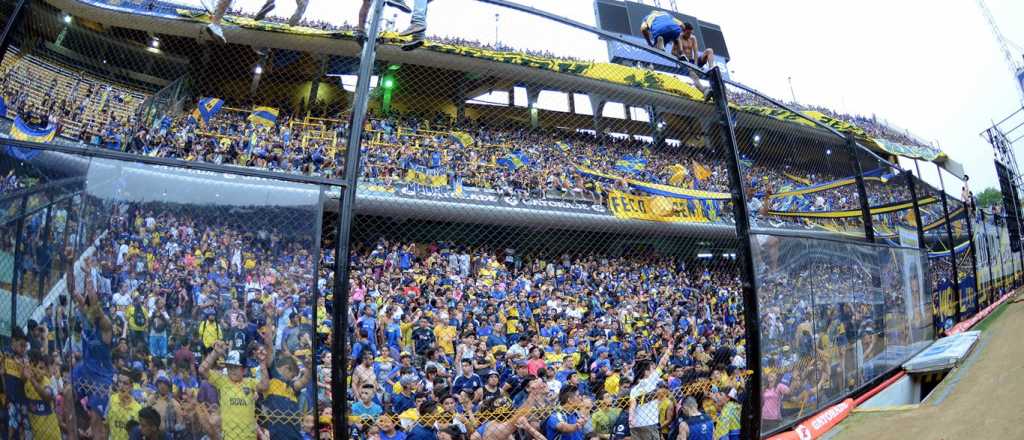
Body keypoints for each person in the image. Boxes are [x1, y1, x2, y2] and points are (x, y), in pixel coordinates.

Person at [198, 341, 270, 440]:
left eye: (236, 367)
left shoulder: (249, 382)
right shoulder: (222, 381)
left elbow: (265, 386)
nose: (232, 370)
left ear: (244, 370)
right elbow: (202, 370)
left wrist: (262, 363)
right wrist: (215, 352)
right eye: (229, 367)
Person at [628, 336, 673, 440]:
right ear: (646, 372)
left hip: (635, 426)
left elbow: (632, 403)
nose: (654, 370)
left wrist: (631, 417)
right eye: (652, 368)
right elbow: (662, 364)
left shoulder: (634, 388)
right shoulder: (650, 380)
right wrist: (669, 349)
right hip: (648, 424)